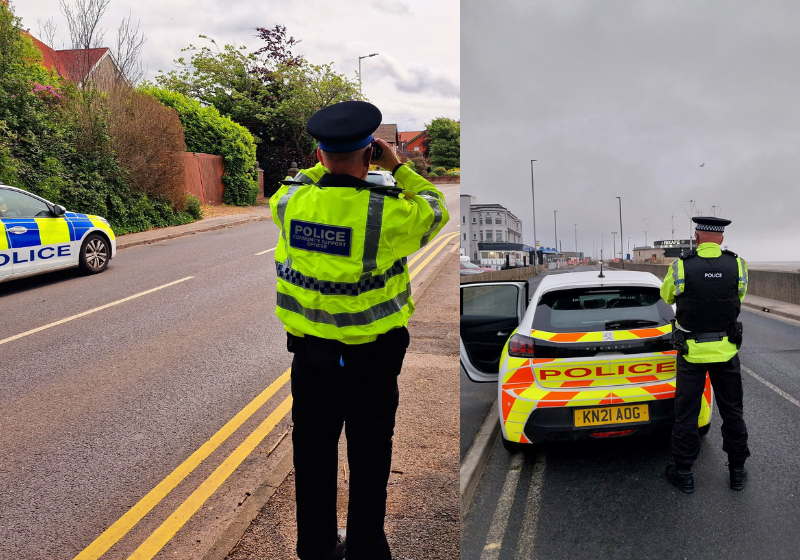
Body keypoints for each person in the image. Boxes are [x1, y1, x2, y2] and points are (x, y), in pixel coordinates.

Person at [269, 100, 449, 560]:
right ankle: (366, 549)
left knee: (312, 460)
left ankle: (316, 549)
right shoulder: (386, 215)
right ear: (370, 155)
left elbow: (305, 179)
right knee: (369, 462)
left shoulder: (289, 202)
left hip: (310, 362)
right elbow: (435, 207)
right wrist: (397, 164)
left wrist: (328, 162)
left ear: (318, 153)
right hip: (371, 364)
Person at [661, 216, 750, 494]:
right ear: (721, 239)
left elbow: (667, 297)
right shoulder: (737, 264)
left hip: (691, 353)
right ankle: (737, 471)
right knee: (732, 411)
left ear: (697, 237)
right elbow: (740, 295)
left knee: (686, 414)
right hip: (726, 352)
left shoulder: (681, 267)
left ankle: (684, 473)